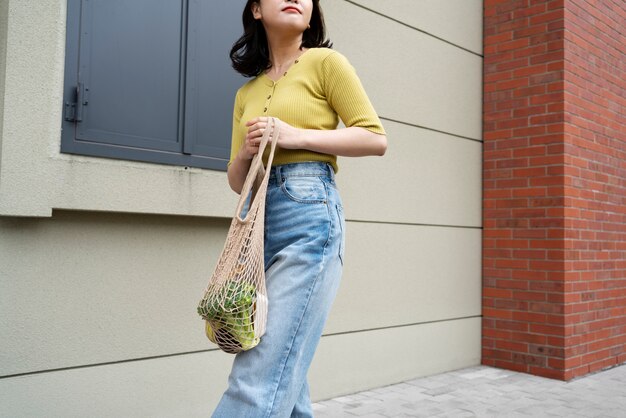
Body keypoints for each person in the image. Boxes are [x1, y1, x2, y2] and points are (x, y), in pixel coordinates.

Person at [212, 0, 387, 416]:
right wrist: (246, 153)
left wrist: (293, 135)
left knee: (256, 375)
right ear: (255, 10)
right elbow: (238, 180)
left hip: (309, 214)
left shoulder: (326, 63)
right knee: (285, 367)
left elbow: (374, 137)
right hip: (258, 223)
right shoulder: (246, 93)